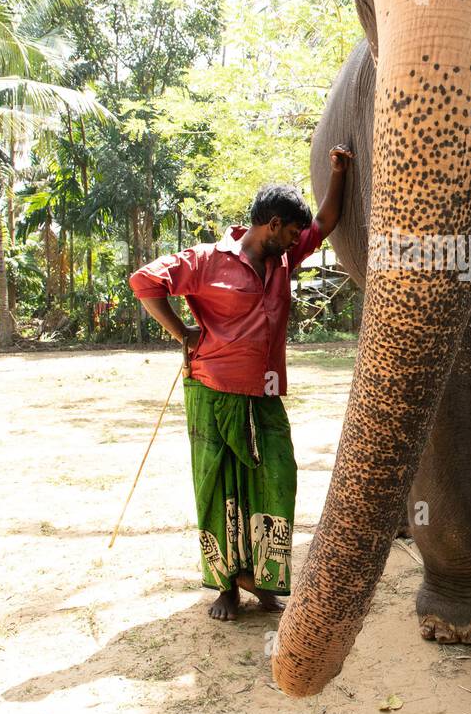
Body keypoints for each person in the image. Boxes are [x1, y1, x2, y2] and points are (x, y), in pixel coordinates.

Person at [129, 146, 353, 621]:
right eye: (292, 230)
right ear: (272, 224)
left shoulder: (285, 258)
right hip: (212, 388)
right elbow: (144, 282)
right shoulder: (207, 260)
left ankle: (263, 581)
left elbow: (328, 221)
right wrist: (182, 332)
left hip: (265, 392)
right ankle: (226, 587)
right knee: (219, 488)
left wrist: (339, 170)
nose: (298, 239)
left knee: (274, 478)